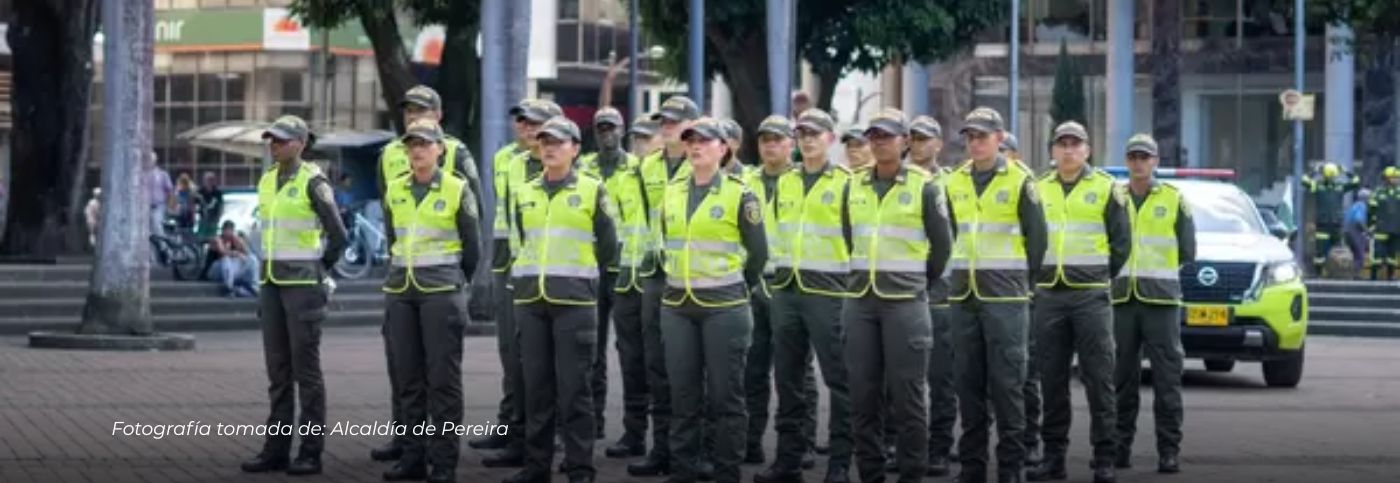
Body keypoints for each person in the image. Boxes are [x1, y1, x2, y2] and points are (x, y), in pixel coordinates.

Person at [503, 116, 617, 483]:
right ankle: (536, 467)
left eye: (558, 141)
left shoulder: (591, 189)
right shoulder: (525, 191)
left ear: (575, 149)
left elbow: (609, 246)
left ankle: (580, 467)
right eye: (544, 141)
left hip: (575, 303)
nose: (549, 147)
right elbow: (521, 242)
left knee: (574, 391)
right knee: (536, 389)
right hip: (532, 303)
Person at [842, 108, 953, 483]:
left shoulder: (925, 186)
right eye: (873, 136)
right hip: (860, 301)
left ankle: (911, 474)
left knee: (908, 398)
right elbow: (848, 236)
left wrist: (917, 282)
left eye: (886, 136)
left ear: (905, 141)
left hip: (905, 302)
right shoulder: (853, 184)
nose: (878, 143)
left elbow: (942, 248)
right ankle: (870, 472)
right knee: (863, 396)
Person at [374, 85, 484, 463]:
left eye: (424, 143)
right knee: (407, 380)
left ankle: (443, 460)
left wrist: (455, 280)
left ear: (439, 145)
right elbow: (393, 235)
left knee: (443, 381)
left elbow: (474, 245)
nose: (417, 148)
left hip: (441, 289)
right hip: (402, 288)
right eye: (412, 143)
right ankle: (412, 456)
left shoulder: (457, 185)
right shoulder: (394, 184)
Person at [659, 117, 768, 483]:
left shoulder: (740, 193)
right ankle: (683, 470)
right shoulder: (672, 192)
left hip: (725, 307)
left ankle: (726, 471)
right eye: (690, 140)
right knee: (684, 396)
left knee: (726, 397)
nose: (696, 146)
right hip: (678, 306)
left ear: (724, 149)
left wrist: (738, 287)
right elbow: (665, 242)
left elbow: (759, 254)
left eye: (706, 140)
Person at [239, 115, 349, 477]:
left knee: (307, 373)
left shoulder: (313, 182)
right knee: (278, 372)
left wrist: (319, 271)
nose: (274, 145)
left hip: (303, 287)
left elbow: (339, 236)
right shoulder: (268, 180)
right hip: (271, 283)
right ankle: (276, 450)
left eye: (282, 140)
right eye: (271, 140)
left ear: (301, 143)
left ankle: (311, 452)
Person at [946, 107, 1047, 483]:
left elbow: (1038, 241)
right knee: (968, 385)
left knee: (1008, 386)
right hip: (964, 297)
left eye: (983, 136)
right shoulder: (953, 181)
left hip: (1006, 298)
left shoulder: (1022, 180)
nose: (976, 143)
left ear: (1000, 139)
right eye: (970, 136)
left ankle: (1011, 466)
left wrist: (1022, 281)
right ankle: (972, 468)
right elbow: (945, 235)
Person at [1025, 122, 1129, 483]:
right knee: (1051, 381)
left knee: (1099, 379)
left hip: (1090, 297)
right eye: (1062, 144)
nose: (1068, 151)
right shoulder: (1037, 188)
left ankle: (1104, 458)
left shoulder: (1106, 188)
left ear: (1087, 150)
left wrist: (1098, 277)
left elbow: (1122, 244)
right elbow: (1027, 238)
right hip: (1049, 294)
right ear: (1052, 150)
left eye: (1075, 144)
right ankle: (1054, 457)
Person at [755, 108, 855, 483]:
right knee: (789, 380)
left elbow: (855, 238)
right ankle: (788, 461)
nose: (808, 139)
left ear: (830, 138)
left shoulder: (846, 182)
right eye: (802, 134)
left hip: (829, 291)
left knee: (839, 379)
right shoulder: (788, 182)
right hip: (787, 291)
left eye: (816, 133)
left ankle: (840, 462)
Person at [474, 99, 564, 468]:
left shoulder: (561, 162)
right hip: (509, 265)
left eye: (534, 123)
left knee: (546, 359)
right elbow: (504, 217)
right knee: (512, 355)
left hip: (551, 270)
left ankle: (546, 433)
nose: (526, 129)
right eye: (522, 123)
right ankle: (514, 426)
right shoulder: (506, 161)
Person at [628, 95, 703, 478]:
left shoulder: (704, 165)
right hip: (658, 276)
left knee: (693, 371)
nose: (667, 126)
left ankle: (694, 451)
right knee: (657, 366)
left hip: (696, 279)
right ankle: (662, 449)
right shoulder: (647, 167)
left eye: (675, 120)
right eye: (664, 121)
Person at [1112, 133, 1195, 476]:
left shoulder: (1175, 199)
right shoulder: (1113, 197)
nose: (1138, 162)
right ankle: (1118, 448)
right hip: (1121, 299)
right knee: (1120, 380)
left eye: (1145, 157)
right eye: (1133, 157)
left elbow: (1188, 251)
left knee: (1167, 379)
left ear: (1156, 161)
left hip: (1160, 301)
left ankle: (1168, 451)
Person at [742, 115, 821, 470]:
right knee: (752, 368)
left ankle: (801, 442)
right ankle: (750, 441)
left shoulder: (800, 181)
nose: (770, 145)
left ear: (791, 143)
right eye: (764, 140)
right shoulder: (744, 181)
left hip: (792, 285)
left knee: (796, 372)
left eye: (778, 139)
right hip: (756, 284)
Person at [578, 107, 642, 450]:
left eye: (612, 128)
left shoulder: (637, 169)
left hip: (626, 269)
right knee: (591, 350)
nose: (607, 134)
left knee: (630, 352)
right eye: (601, 128)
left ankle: (634, 431)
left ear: (622, 130)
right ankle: (593, 421)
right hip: (591, 268)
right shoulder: (583, 167)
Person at [905, 115, 959, 478]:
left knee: (941, 379)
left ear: (938, 144)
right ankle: (904, 445)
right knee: (901, 379)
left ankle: (939, 448)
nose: (919, 144)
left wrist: (932, 276)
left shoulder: (951, 184)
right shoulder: (896, 180)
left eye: (926, 139)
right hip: (899, 291)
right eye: (914, 138)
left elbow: (949, 239)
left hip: (938, 293)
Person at [1301, 162, 1360, 276]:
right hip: (1327, 223)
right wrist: (1345, 171)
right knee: (1322, 253)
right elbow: (1356, 181)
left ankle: (1327, 273)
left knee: (1330, 252)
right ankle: (1322, 273)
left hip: (1331, 223)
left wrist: (1316, 171)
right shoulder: (1335, 186)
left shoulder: (1319, 186)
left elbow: (1304, 180)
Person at [212, 220, 259, 298]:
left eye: (231, 230)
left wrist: (240, 242)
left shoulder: (234, 240)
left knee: (252, 259)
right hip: (215, 270)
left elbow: (247, 253)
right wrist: (236, 253)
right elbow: (222, 252)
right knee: (226, 259)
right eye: (227, 230)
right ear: (223, 230)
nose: (229, 233)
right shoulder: (218, 239)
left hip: (230, 271)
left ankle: (254, 286)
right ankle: (228, 288)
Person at [1369, 167, 1400, 280]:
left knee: (1392, 256)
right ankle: (1373, 277)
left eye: (1397, 177)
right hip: (1381, 229)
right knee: (1377, 255)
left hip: (1396, 229)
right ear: (1387, 179)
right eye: (1394, 177)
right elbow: (1371, 210)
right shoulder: (1378, 193)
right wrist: (1371, 225)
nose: (1396, 180)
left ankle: (1390, 277)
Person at [145, 152, 174, 237]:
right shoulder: (142, 174)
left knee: (157, 228)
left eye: (150, 160)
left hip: (158, 206)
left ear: (155, 161)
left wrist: (169, 206)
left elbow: (169, 191)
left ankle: (162, 246)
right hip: (145, 207)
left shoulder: (162, 174)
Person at [1346, 190, 1371, 277]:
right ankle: (1356, 274)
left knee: (1354, 254)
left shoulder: (1354, 205)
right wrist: (1366, 230)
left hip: (1348, 232)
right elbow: (1358, 220)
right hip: (1355, 231)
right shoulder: (1361, 206)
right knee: (1359, 254)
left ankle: (1352, 273)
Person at [198, 172, 225, 240]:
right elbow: (194, 204)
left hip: (213, 219)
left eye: (211, 180)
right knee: (201, 238)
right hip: (203, 219)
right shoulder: (200, 191)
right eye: (207, 180)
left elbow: (221, 205)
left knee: (212, 238)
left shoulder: (217, 192)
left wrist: (219, 216)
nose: (209, 182)